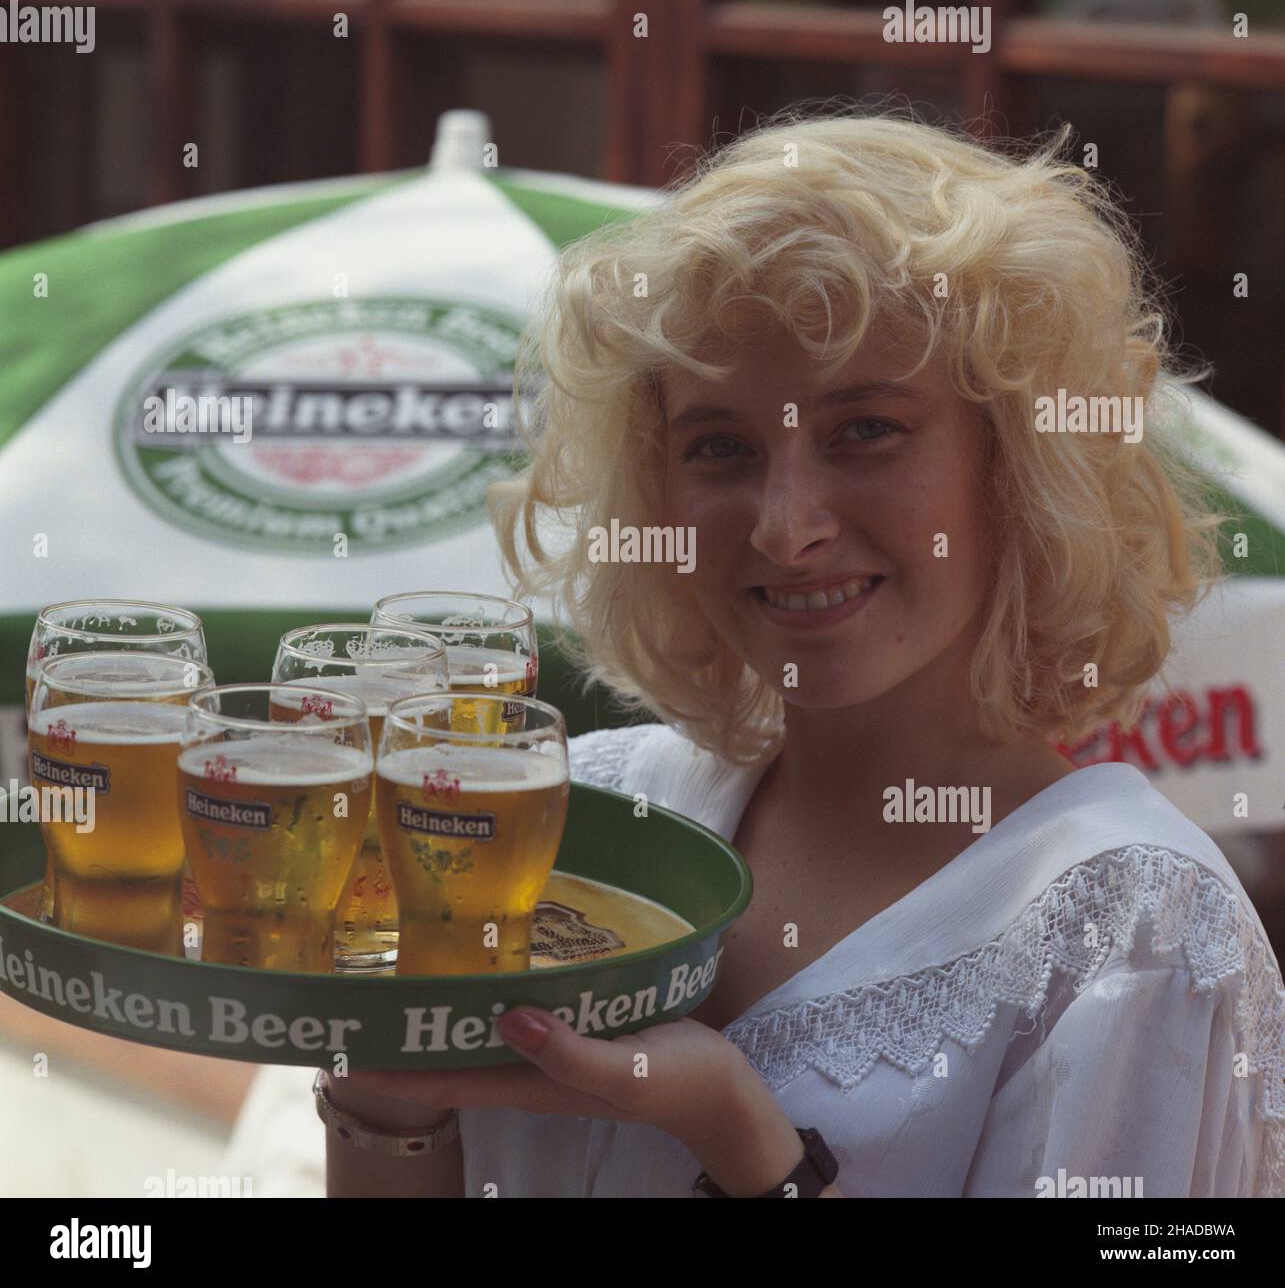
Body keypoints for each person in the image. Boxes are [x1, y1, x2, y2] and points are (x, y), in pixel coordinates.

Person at [224, 106, 1285, 1198]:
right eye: (720, 445)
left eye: (863, 429)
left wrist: (740, 1136)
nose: (785, 525)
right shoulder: (576, 816)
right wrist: (385, 1101)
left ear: (1017, 459)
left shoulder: (1133, 934)